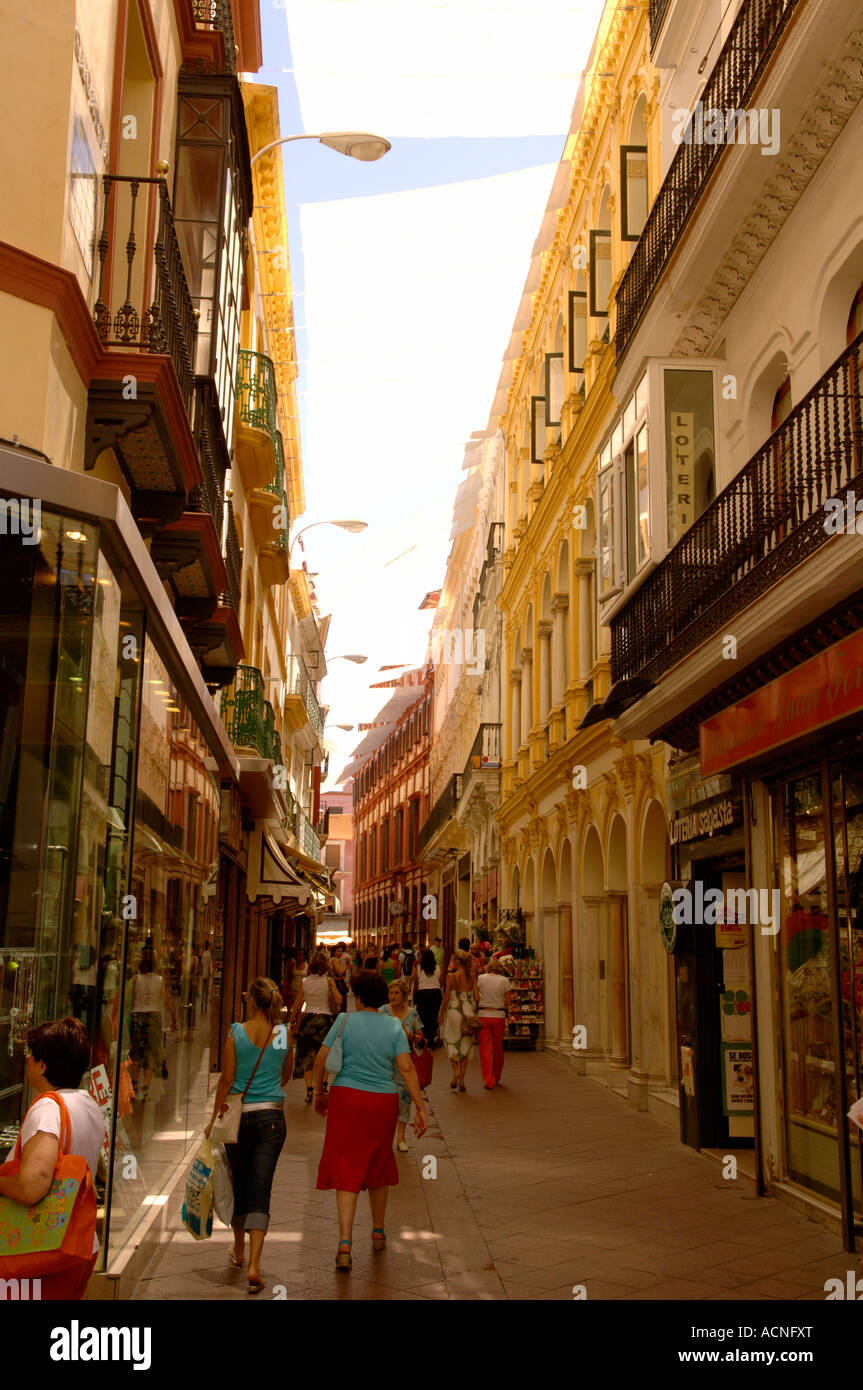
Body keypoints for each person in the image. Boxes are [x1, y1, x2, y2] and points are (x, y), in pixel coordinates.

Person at [313, 971, 427, 1271]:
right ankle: (377, 1230)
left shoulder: (344, 1021)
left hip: (346, 1098)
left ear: (359, 996)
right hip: (382, 1102)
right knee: (379, 1160)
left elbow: (320, 1060)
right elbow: (406, 1069)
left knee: (347, 1166)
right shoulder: (394, 1026)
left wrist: (319, 1093)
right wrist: (420, 1107)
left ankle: (345, 1242)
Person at [0, 1018, 105, 1299]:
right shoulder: (87, 1103)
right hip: (77, 1243)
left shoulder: (47, 1108)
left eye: (31, 1058)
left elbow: (32, 1185)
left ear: (43, 1065)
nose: (27, 1064)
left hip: (39, 1249)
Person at [205, 978, 291, 1294]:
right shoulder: (282, 1034)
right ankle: (254, 1264)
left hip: (239, 1118)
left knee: (238, 1181)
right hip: (272, 1117)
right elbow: (285, 1074)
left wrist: (213, 1119)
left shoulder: (236, 1033)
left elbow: (227, 1080)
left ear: (252, 1002)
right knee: (261, 1187)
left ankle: (238, 1250)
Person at [289, 952, 341, 1102]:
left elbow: (297, 1004)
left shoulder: (304, 982)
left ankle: (309, 1090)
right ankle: (322, 1085)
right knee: (323, 1053)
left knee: (307, 1055)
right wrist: (332, 988)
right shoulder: (329, 981)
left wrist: (292, 1020)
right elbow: (339, 1000)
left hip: (308, 1019)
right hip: (325, 1020)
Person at [378, 979, 423, 1151]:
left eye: (397, 993)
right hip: (384, 1062)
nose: (393, 996)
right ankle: (384, 1136)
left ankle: (401, 1137)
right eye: (391, 993)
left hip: (404, 1064)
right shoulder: (382, 1011)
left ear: (404, 995)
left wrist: (411, 1036)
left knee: (404, 1098)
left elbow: (420, 1037)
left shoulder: (412, 1014)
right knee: (384, 1098)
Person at [128, 949, 176, 1100]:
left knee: (136, 1053)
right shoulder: (160, 980)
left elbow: (126, 997)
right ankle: (146, 1089)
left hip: (137, 1015)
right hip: (154, 1017)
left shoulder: (135, 979)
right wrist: (174, 1019)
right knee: (149, 1054)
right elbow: (169, 1001)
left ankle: (134, 1084)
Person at [440, 949, 479, 1091]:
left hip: (454, 1012)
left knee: (451, 1042)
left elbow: (445, 998)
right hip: (468, 1013)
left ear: (457, 962)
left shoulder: (451, 977)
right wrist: (474, 1010)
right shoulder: (473, 976)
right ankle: (462, 1080)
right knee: (465, 1047)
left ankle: (455, 1073)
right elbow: (477, 997)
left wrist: (441, 1014)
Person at [476, 959, 512, 1089]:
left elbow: (476, 996)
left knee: (485, 1049)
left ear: (488, 967)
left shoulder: (480, 978)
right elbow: (508, 1001)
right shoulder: (504, 981)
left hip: (483, 1015)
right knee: (498, 1048)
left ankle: (488, 1079)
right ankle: (496, 1076)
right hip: (499, 1015)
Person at [412, 948, 443, 1047]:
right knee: (433, 1017)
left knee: (423, 1017)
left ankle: (423, 1040)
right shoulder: (437, 968)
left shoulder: (419, 968)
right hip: (435, 993)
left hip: (423, 993)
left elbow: (416, 982)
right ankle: (431, 1040)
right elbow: (441, 982)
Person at [329, 942, 349, 1012]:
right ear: (334, 952)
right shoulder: (335, 960)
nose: (340, 953)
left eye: (341, 951)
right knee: (342, 1004)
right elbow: (340, 972)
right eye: (338, 951)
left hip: (334, 982)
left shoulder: (331, 959)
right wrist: (347, 965)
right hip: (338, 983)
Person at [200, 941, 213, 1014]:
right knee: (206, 992)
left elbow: (202, 966)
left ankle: (202, 1006)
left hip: (203, 975)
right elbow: (209, 966)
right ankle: (205, 1007)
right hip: (207, 976)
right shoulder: (209, 954)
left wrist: (202, 974)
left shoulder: (203, 954)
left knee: (203, 991)